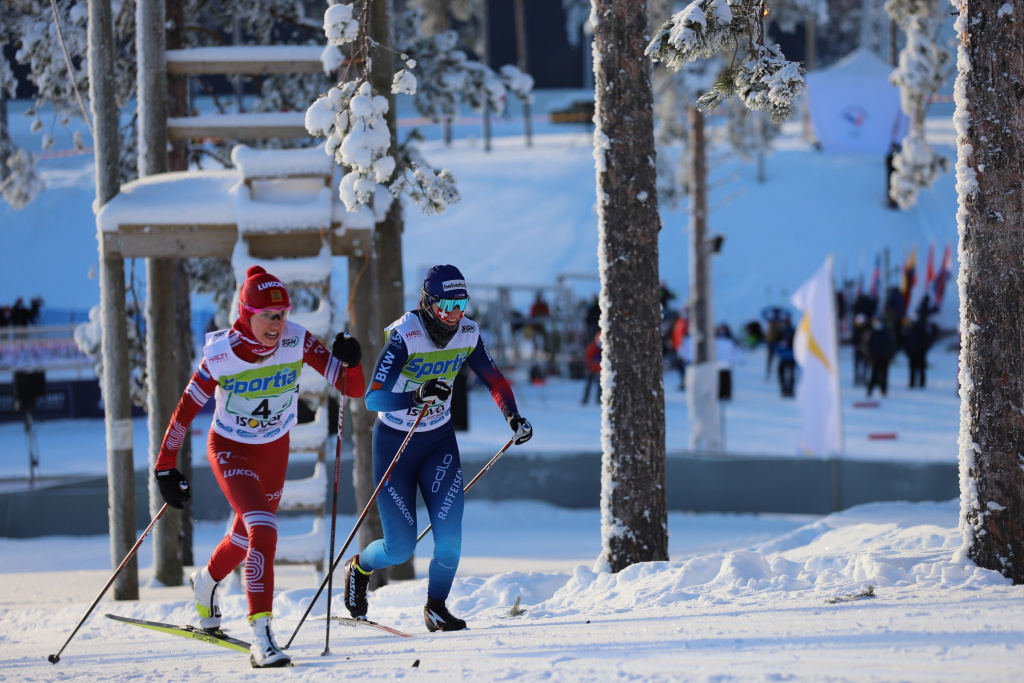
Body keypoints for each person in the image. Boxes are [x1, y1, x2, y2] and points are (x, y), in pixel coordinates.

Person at [153, 265, 366, 668]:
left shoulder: (297, 339)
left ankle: (206, 582)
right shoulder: (220, 355)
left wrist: (351, 360)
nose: (277, 323)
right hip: (231, 449)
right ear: (245, 313)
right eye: (268, 315)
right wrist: (165, 467)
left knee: (244, 537)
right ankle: (261, 636)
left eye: (282, 314)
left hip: (274, 451)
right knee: (263, 530)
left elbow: (351, 387)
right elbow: (184, 414)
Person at [343, 264, 533, 633]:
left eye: (460, 304)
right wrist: (417, 393)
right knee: (399, 549)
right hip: (395, 442)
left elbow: (493, 379)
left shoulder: (467, 332)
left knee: (450, 537)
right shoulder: (405, 336)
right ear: (427, 303)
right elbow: (373, 399)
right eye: (445, 305)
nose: (453, 314)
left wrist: (513, 416)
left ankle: (435, 607)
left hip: (438, 441)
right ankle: (360, 568)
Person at [864, 317, 895, 397]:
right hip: (875, 358)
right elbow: (867, 346)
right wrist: (869, 357)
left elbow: (891, 345)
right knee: (874, 375)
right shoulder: (871, 333)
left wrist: (891, 355)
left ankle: (883, 390)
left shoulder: (886, 332)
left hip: (885, 357)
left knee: (884, 375)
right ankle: (870, 390)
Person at [903, 316, 934, 388]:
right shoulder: (908, 328)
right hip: (912, 352)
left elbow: (928, 339)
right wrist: (907, 350)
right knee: (912, 368)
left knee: (921, 368)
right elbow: (905, 340)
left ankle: (922, 383)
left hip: (921, 352)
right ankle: (912, 382)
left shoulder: (922, 327)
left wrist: (924, 348)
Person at [775, 317, 797, 398]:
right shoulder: (793, 331)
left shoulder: (782, 332)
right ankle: (789, 391)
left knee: (783, 374)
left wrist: (779, 352)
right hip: (791, 356)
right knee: (791, 375)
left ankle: (784, 391)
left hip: (784, 356)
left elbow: (775, 343)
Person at [581, 330, 602, 405]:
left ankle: (599, 398)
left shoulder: (604, 348)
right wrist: (590, 366)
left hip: (600, 369)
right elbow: (588, 358)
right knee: (589, 384)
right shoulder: (592, 347)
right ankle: (585, 399)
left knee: (600, 385)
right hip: (592, 368)